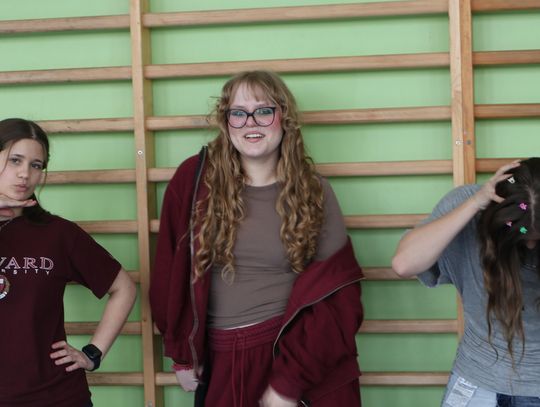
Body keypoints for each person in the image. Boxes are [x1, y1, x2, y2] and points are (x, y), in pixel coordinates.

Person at [150, 70, 364, 407]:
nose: (251, 123)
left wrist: (289, 382)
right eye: (238, 113)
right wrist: (182, 352)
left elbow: (340, 295)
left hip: (295, 355)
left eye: (264, 111)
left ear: (284, 117)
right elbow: (169, 272)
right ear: (226, 122)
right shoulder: (193, 181)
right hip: (223, 359)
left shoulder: (314, 192)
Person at [0, 118, 137, 407]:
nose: (25, 174)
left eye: (36, 165)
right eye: (15, 160)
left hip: (57, 396)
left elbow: (124, 288)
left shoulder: (58, 234)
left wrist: (93, 353)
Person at [392, 158, 540, 406]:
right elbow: (403, 264)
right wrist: (475, 202)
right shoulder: (469, 204)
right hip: (475, 378)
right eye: (523, 236)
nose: (531, 245)